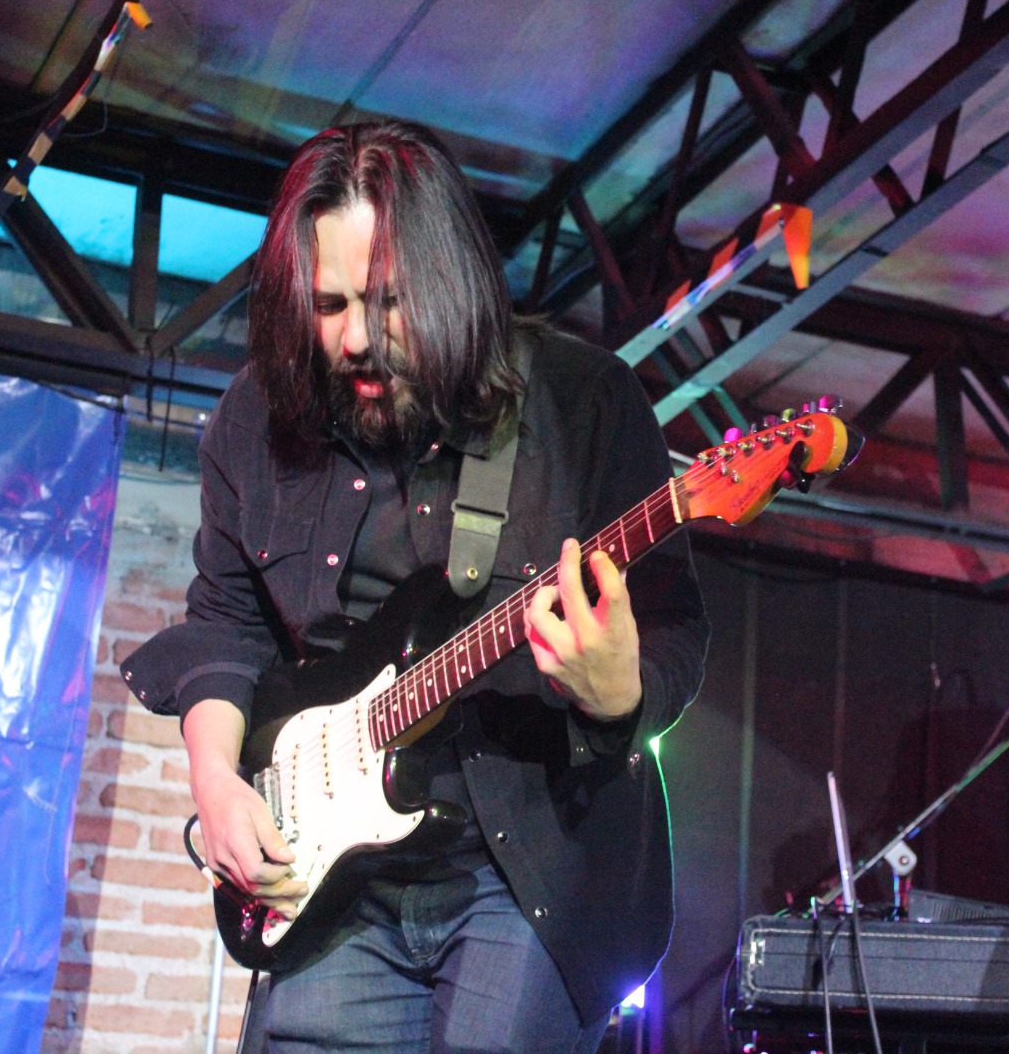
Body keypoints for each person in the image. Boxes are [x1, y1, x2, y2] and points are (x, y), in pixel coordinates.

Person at [121, 120, 710, 1053]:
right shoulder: (256, 419)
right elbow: (225, 622)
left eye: (389, 302)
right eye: (329, 305)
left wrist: (618, 694)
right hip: (334, 883)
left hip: (529, 872)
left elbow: (674, 626)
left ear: (451, 280)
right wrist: (216, 782)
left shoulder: (583, 402)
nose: (356, 338)